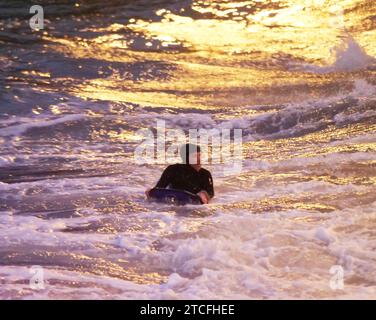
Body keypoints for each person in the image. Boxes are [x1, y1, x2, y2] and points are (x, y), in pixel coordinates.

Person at [146, 143, 214, 204]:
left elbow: (211, 192)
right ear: (186, 158)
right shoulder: (173, 170)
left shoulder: (205, 174)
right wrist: (151, 192)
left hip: (194, 204)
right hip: (174, 202)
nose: (199, 160)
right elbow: (160, 188)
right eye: (195, 156)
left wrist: (204, 194)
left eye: (199, 156)